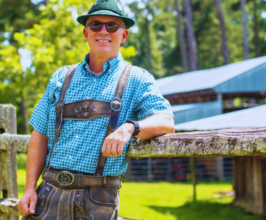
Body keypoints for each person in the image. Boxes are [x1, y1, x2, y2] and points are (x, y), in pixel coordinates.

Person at [18, 0, 175, 219]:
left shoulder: (138, 79)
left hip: (98, 198)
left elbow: (167, 122)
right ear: (86, 33)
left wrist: (130, 127)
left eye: (112, 26)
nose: (103, 31)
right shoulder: (61, 77)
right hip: (48, 192)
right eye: (95, 25)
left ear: (124, 35)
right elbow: (39, 135)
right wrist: (29, 188)